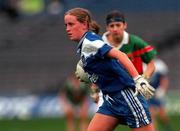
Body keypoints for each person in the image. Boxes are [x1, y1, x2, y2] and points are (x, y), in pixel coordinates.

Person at [64, 7, 155, 131]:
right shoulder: (85, 44)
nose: (67, 29)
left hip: (126, 97)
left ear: (84, 24)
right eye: (66, 25)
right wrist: (95, 88)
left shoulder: (91, 42)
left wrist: (138, 78)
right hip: (110, 100)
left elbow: (120, 55)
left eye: (71, 24)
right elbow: (104, 69)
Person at [93, 10, 157, 108]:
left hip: (133, 90)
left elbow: (151, 64)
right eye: (112, 26)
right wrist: (95, 89)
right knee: (101, 121)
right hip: (108, 91)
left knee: (143, 122)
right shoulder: (100, 44)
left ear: (125, 25)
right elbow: (96, 70)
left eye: (118, 25)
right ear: (107, 28)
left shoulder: (135, 42)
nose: (115, 29)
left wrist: (144, 79)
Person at [147, 58, 173, 131]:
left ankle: (168, 128)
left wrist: (162, 90)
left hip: (157, 92)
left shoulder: (159, 64)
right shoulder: (142, 64)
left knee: (162, 114)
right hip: (148, 93)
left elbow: (164, 79)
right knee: (150, 114)